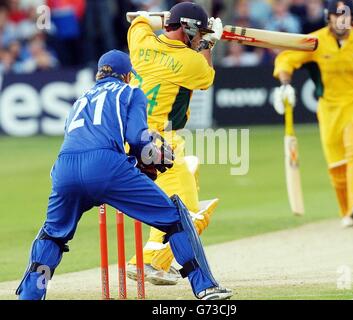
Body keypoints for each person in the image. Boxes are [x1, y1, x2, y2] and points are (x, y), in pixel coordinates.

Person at [15, 49, 232, 300]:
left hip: (64, 169)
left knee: (52, 236)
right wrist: (154, 156)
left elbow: (76, 139)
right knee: (174, 217)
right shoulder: (130, 92)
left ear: (99, 74)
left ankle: (29, 296)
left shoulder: (80, 99)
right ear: (128, 75)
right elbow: (137, 138)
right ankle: (205, 286)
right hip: (106, 166)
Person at [126, 2, 223, 285]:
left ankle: (155, 254)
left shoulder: (139, 40)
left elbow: (140, 20)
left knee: (186, 177)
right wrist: (208, 43)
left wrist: (159, 20)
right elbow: (206, 78)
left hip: (129, 135)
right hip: (155, 141)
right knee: (191, 212)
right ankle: (148, 261)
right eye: (197, 32)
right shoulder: (190, 61)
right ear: (189, 29)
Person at [273, 0, 353, 227]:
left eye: (346, 16)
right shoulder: (315, 41)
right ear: (328, 17)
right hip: (329, 108)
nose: (341, 21)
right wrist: (285, 82)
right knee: (337, 166)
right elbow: (286, 58)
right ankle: (349, 213)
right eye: (337, 16)